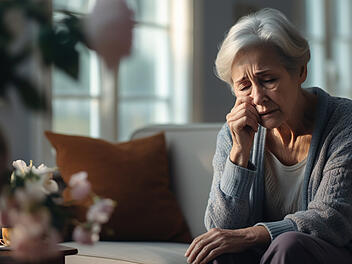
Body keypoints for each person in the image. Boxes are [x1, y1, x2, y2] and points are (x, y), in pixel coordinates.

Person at [184, 8, 352, 264]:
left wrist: (255, 234)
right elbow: (221, 228)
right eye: (244, 86)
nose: (258, 97)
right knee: (220, 252)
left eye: (268, 80)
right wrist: (239, 154)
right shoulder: (233, 134)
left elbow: (333, 218)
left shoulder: (344, 122)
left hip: (329, 253)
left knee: (289, 245)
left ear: (301, 72)